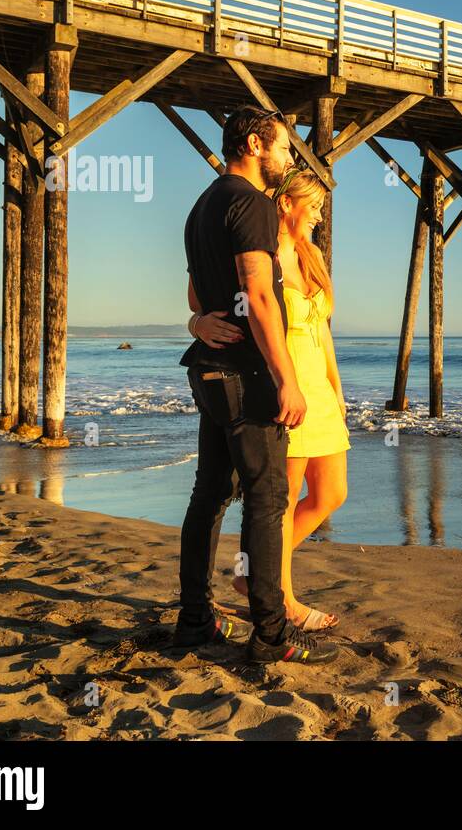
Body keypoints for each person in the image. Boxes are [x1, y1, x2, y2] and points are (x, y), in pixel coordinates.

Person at [170, 105, 337, 665]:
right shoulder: (252, 205)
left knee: (209, 495)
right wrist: (287, 380)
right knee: (268, 499)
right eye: (285, 147)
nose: (289, 158)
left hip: (209, 374)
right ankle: (269, 635)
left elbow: (199, 296)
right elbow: (260, 296)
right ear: (256, 143)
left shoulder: (200, 205)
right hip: (247, 374)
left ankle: (195, 621)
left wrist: (198, 323)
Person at [196, 168, 350, 631]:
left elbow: (322, 330)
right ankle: (282, 598)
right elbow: (205, 299)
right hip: (284, 379)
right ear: (287, 204)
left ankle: (252, 572)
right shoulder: (264, 252)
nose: (320, 218)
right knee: (280, 501)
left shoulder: (311, 254)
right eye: (315, 207)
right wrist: (198, 324)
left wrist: (338, 392)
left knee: (332, 494)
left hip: (317, 386)